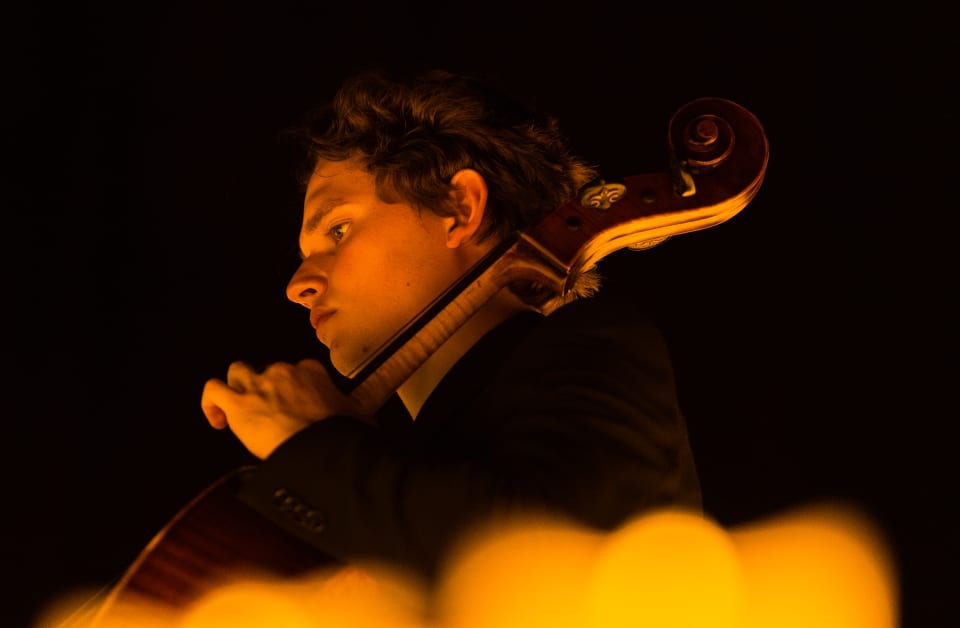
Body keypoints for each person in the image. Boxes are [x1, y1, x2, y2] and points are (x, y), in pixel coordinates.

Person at [199, 68, 703, 591]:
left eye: (338, 230)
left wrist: (310, 444)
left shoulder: (593, 347)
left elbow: (549, 556)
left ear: (458, 208)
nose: (297, 284)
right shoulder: (398, 463)